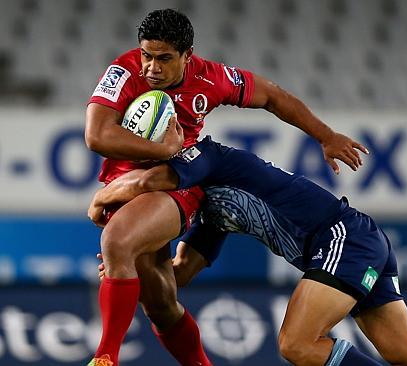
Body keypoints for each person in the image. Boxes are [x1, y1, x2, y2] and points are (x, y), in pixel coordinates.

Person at [85, 8, 368, 366]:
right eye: (147, 55)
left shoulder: (211, 78)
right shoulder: (123, 72)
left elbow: (271, 95)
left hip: (177, 183)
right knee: (159, 303)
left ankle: (105, 357)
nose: (151, 67)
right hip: (129, 184)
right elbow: (97, 135)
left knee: (117, 242)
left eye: (164, 58)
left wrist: (325, 136)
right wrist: (162, 149)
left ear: (188, 56)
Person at [88, 137, 407, 366]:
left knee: (295, 343)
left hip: (339, 236)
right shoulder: (207, 211)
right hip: (359, 239)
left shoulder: (204, 157)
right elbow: (179, 276)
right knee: (404, 349)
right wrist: (130, 273)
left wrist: (101, 201)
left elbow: (149, 181)